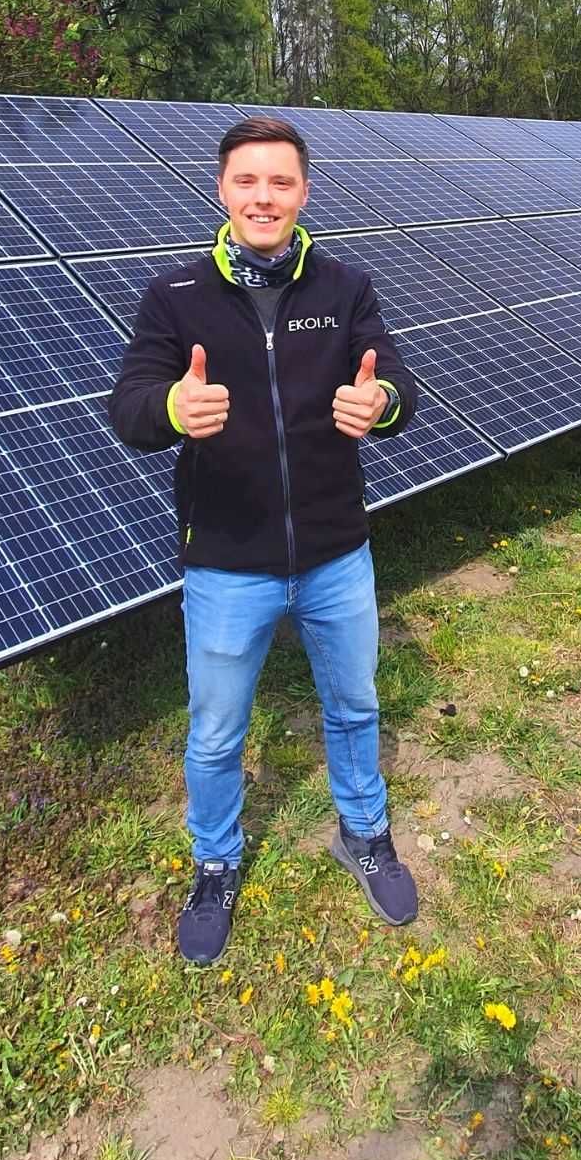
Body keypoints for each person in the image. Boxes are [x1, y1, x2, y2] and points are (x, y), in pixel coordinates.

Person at [107, 115, 421, 965]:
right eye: (247, 181)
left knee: (354, 706)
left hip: (334, 551)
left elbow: (394, 380)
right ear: (222, 190)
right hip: (226, 561)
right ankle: (215, 860)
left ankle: (364, 833)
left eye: (281, 182)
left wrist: (380, 404)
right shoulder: (175, 299)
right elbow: (129, 403)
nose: (263, 197)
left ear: (304, 193)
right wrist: (173, 409)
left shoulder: (346, 287)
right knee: (216, 732)